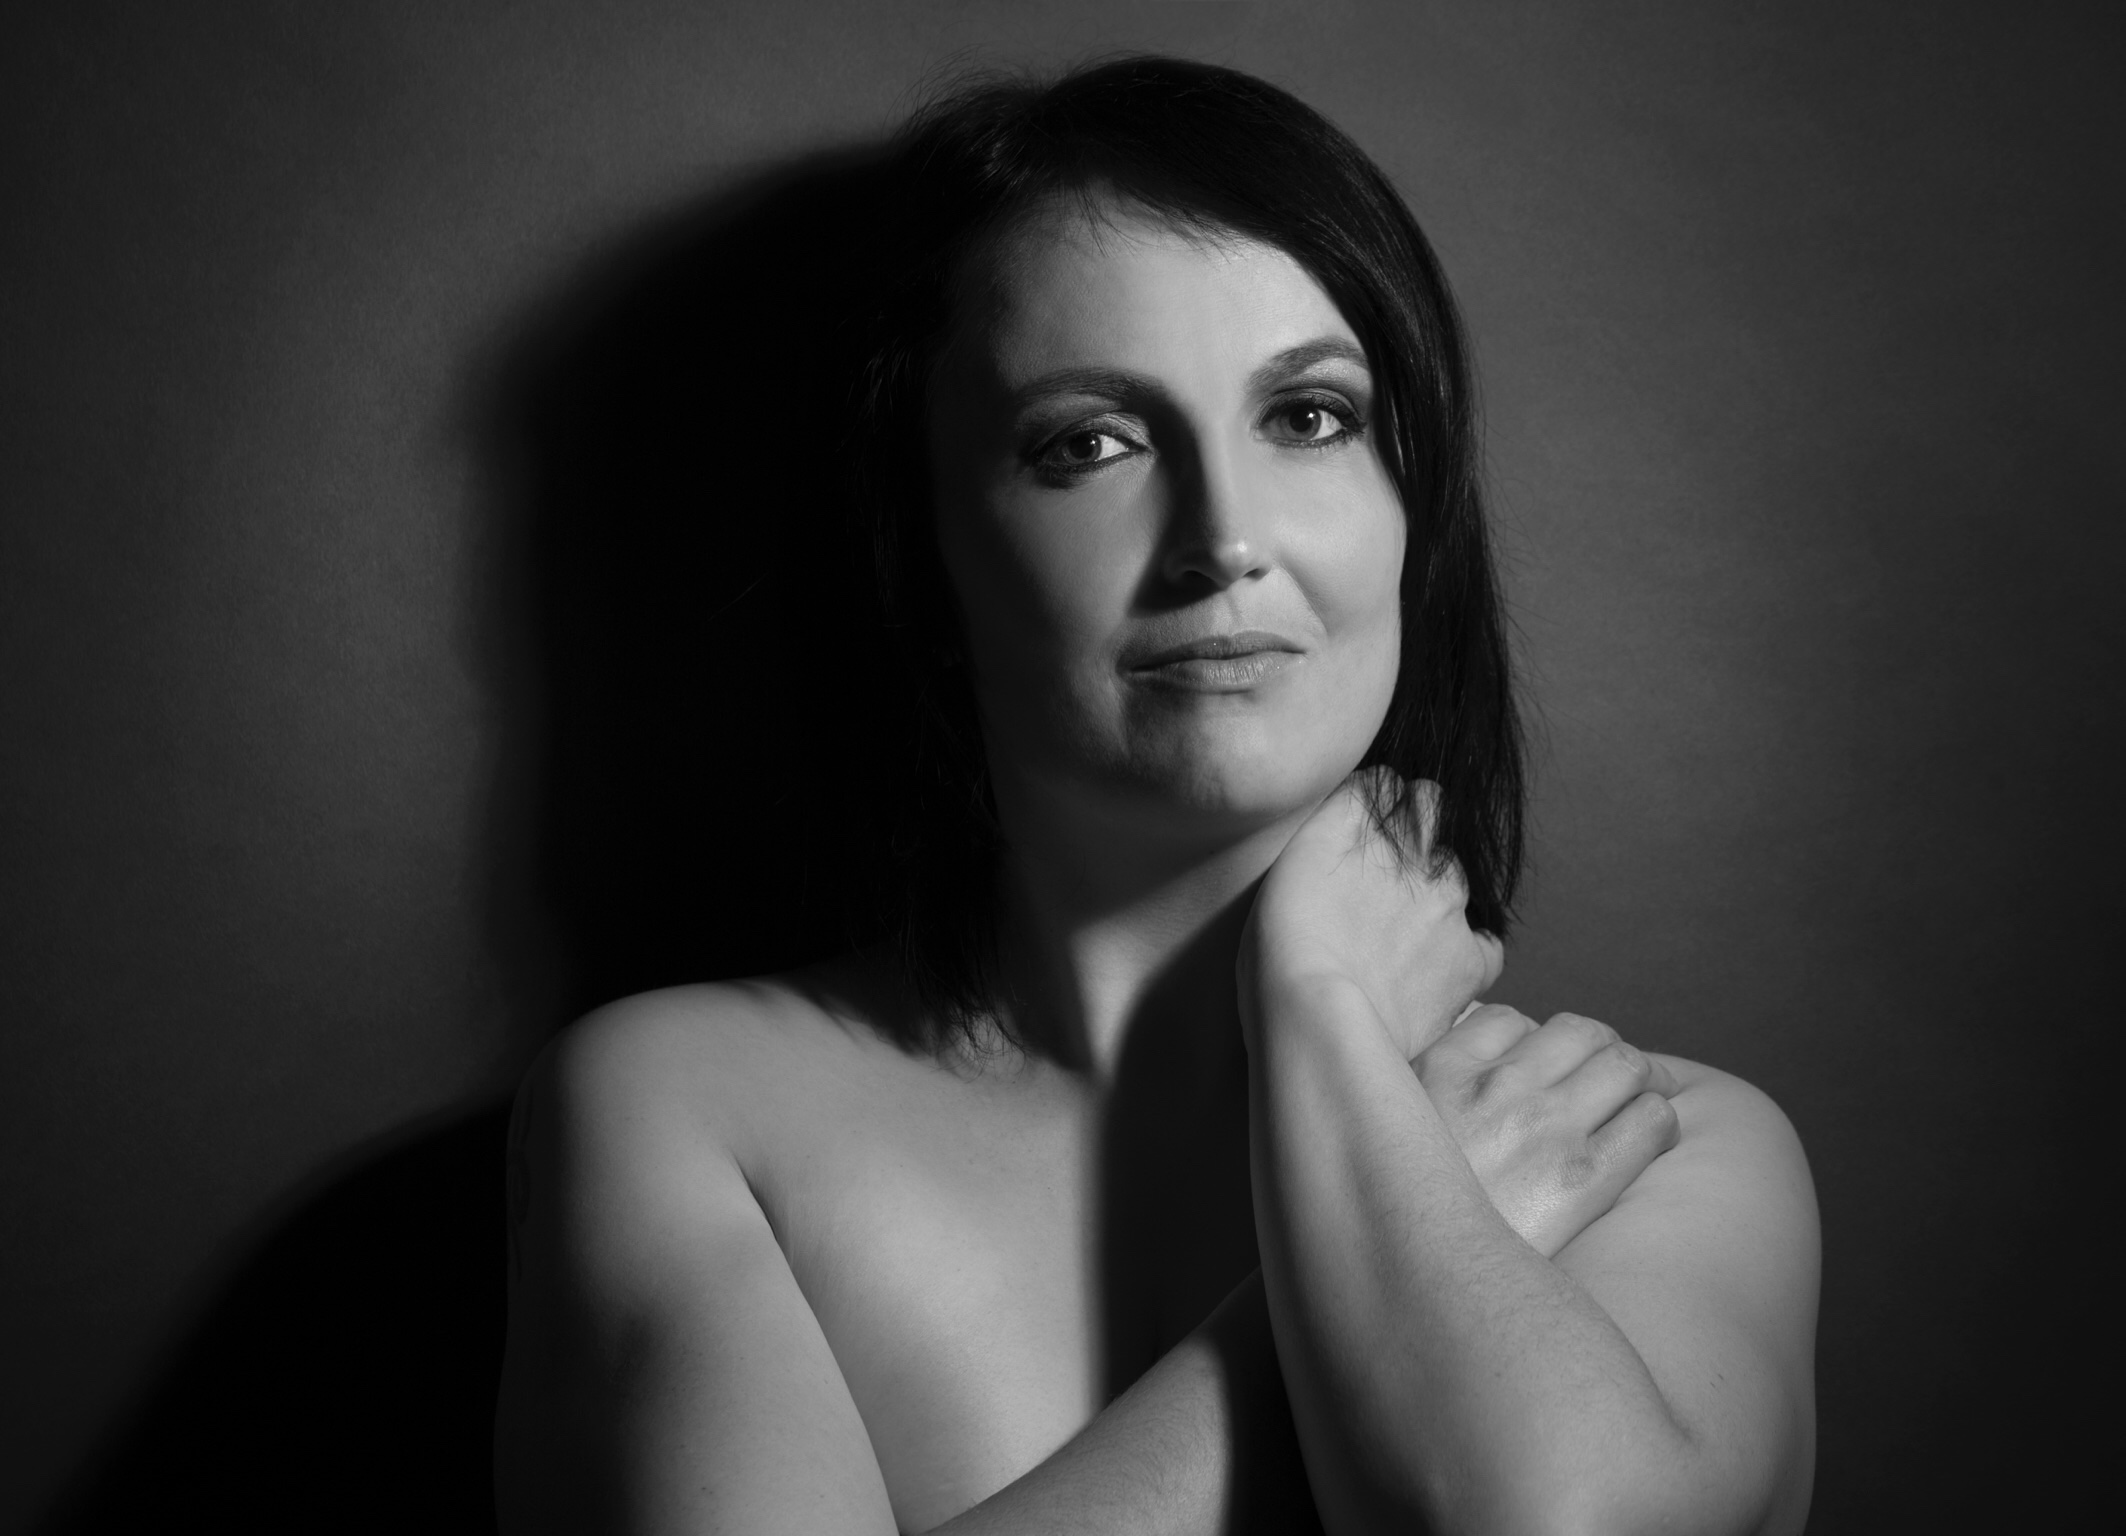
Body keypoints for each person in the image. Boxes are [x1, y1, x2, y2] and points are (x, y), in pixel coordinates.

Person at [493, 56, 1819, 1536]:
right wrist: (1379, 1243)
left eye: (1308, 417)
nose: (1222, 538)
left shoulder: (1648, 1144)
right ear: (922, 552)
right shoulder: (691, 1111)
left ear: (1414, 515)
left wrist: (1318, 1010)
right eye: (1089, 444)